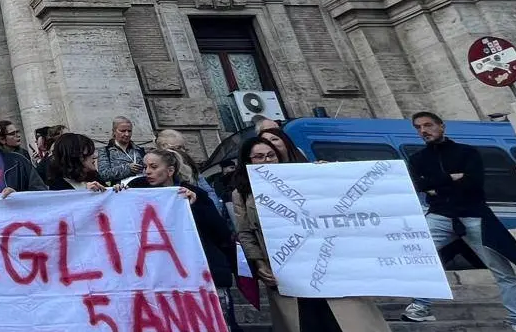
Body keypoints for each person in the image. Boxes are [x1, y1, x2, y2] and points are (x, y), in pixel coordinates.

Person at [231, 136, 388, 332]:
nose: (267, 160)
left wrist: (326, 173)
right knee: (305, 321)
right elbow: (245, 232)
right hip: (284, 270)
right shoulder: (242, 193)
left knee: (342, 319)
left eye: (271, 155)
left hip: (327, 262)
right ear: (248, 161)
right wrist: (259, 263)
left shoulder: (303, 176)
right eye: (259, 157)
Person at [401, 112, 516, 331]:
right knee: (420, 256)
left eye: (428, 125)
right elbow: (419, 185)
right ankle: (421, 306)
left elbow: (473, 183)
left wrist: (436, 185)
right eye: (418, 127)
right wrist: (451, 178)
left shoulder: (467, 152)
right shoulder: (417, 158)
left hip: (474, 216)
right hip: (440, 215)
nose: (423, 131)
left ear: (441, 126)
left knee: (501, 270)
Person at [133, 150, 235, 321]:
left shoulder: (195, 194)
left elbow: (221, 233)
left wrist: (194, 207)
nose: (147, 171)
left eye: (154, 166)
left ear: (170, 171)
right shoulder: (135, 194)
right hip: (163, 278)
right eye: (145, 167)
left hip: (203, 274)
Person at [95, 116, 147, 185]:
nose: (127, 134)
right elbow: (104, 175)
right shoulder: (105, 151)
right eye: (122, 131)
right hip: (120, 190)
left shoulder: (139, 150)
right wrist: (127, 168)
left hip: (141, 187)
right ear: (114, 131)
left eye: (129, 131)